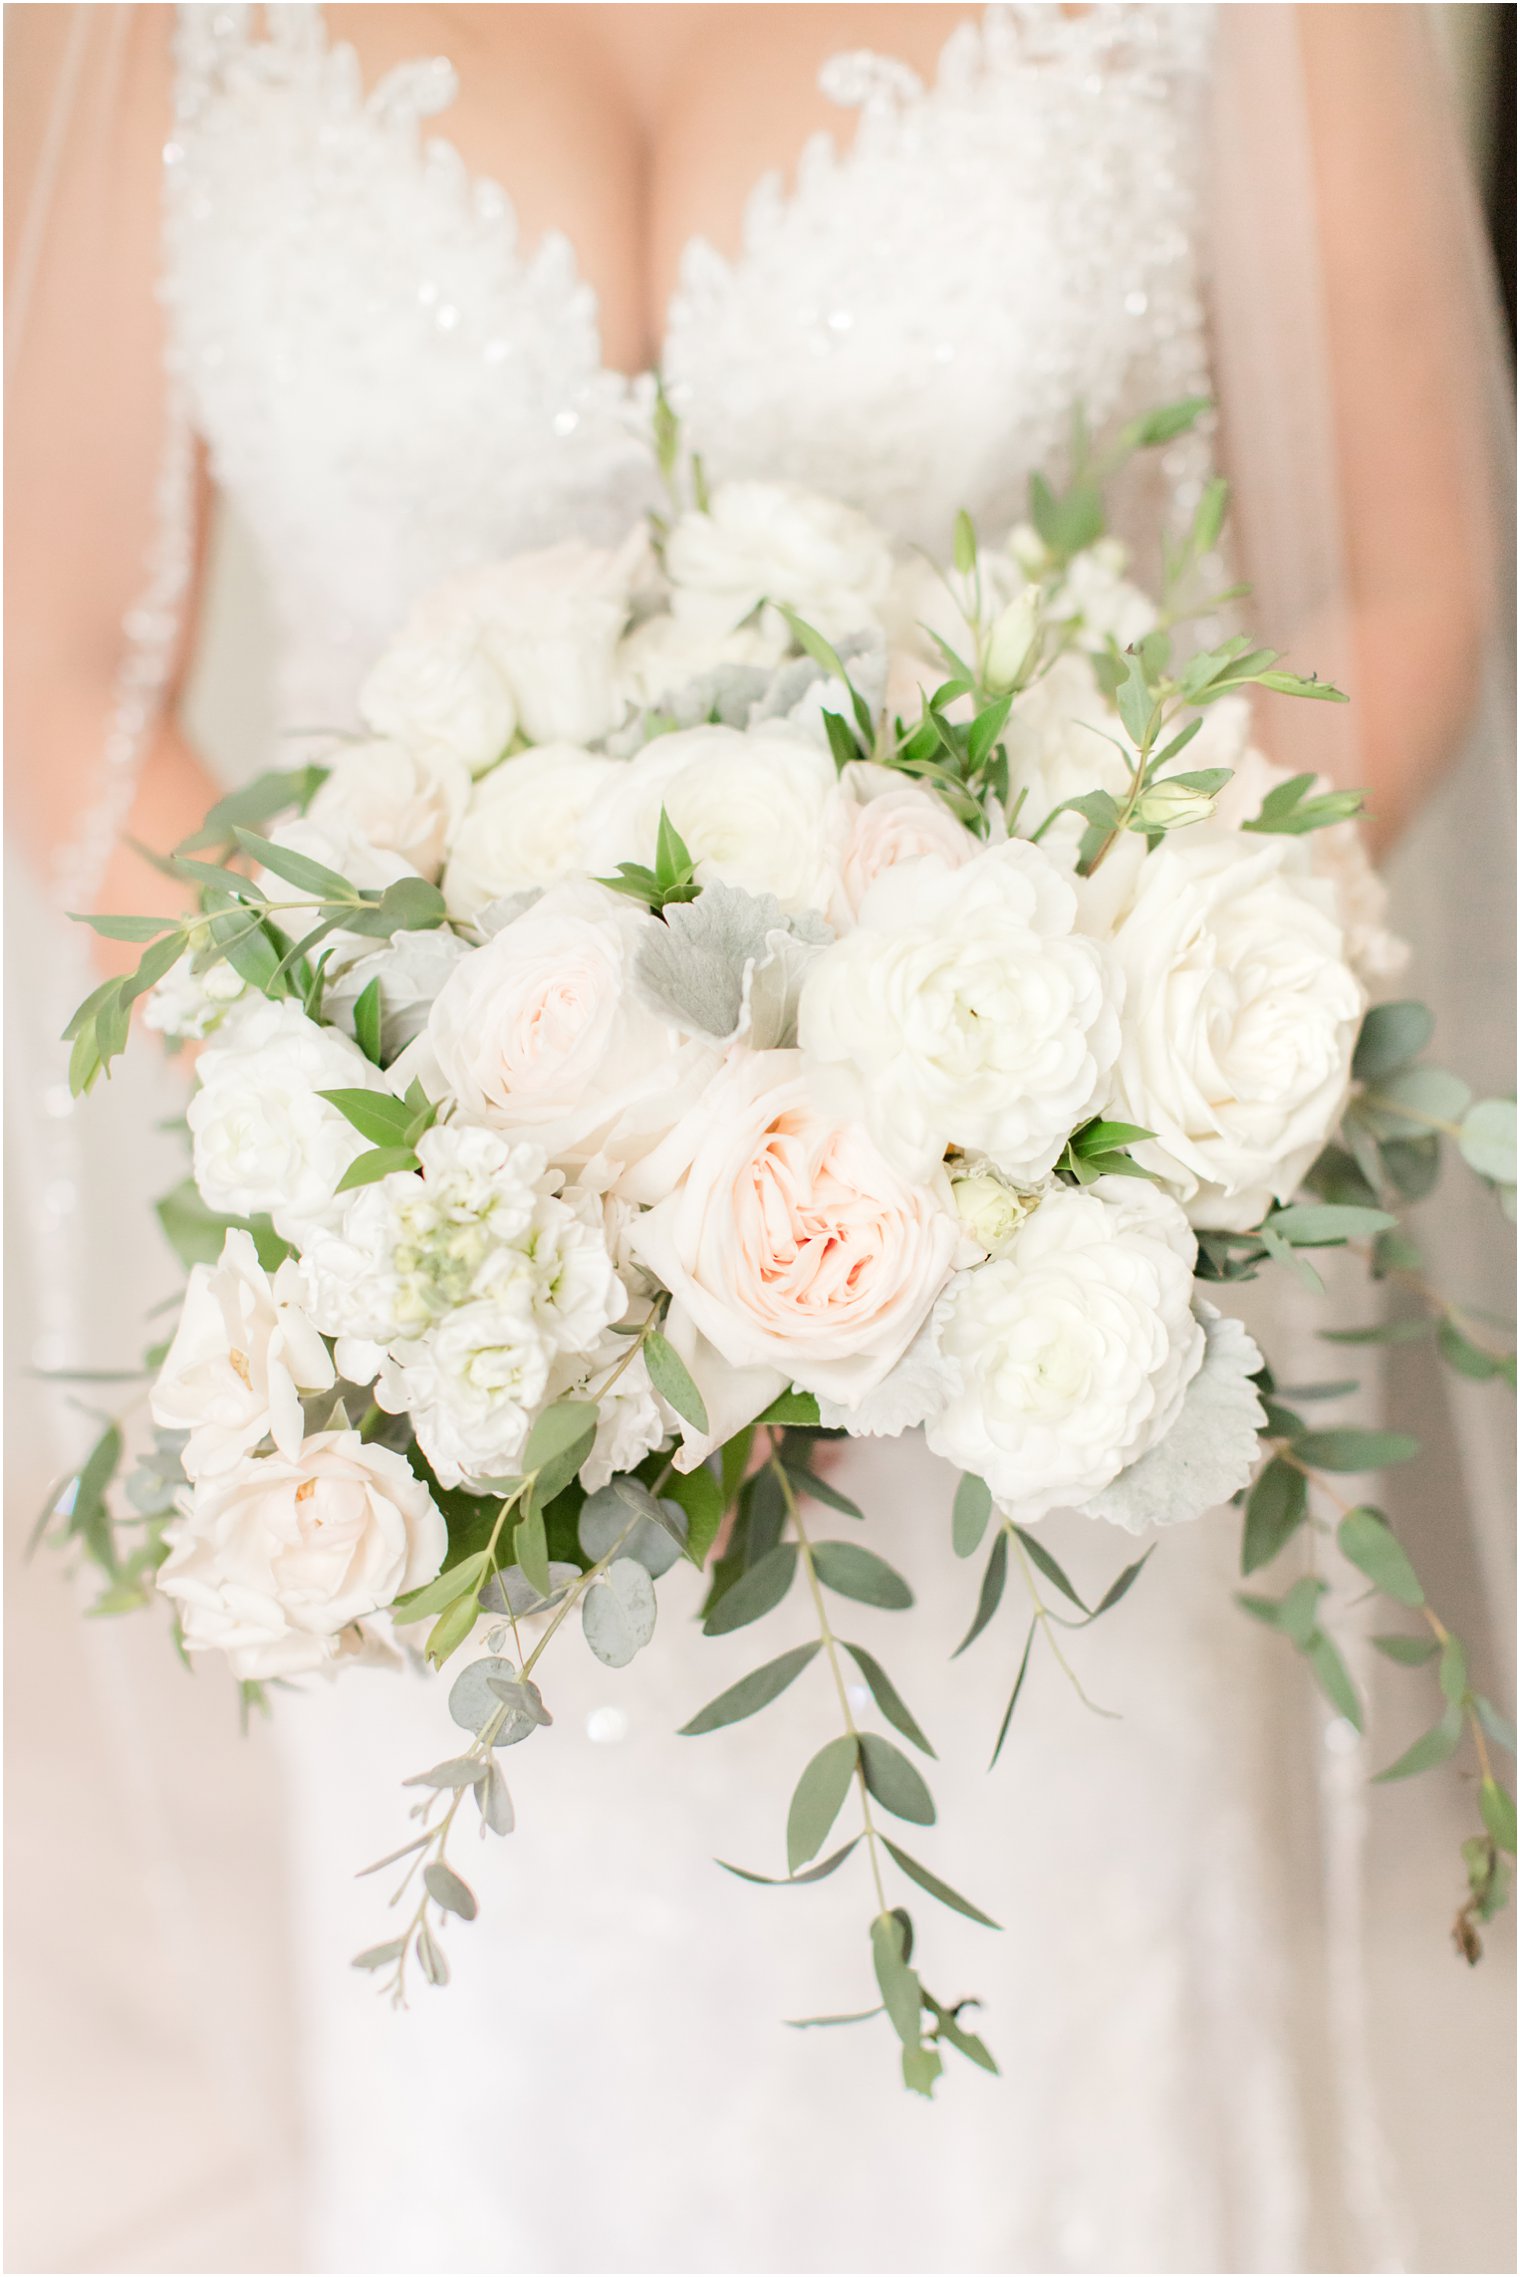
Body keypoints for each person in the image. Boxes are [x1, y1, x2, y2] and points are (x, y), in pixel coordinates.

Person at [6, 8, 1513, 2270]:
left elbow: (1399, 577)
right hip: (466, 1370)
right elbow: (60, 671)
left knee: (1036, 2127)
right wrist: (433, 1136)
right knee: (520, 2109)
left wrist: (1043, 1085)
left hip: (1017, 1350)